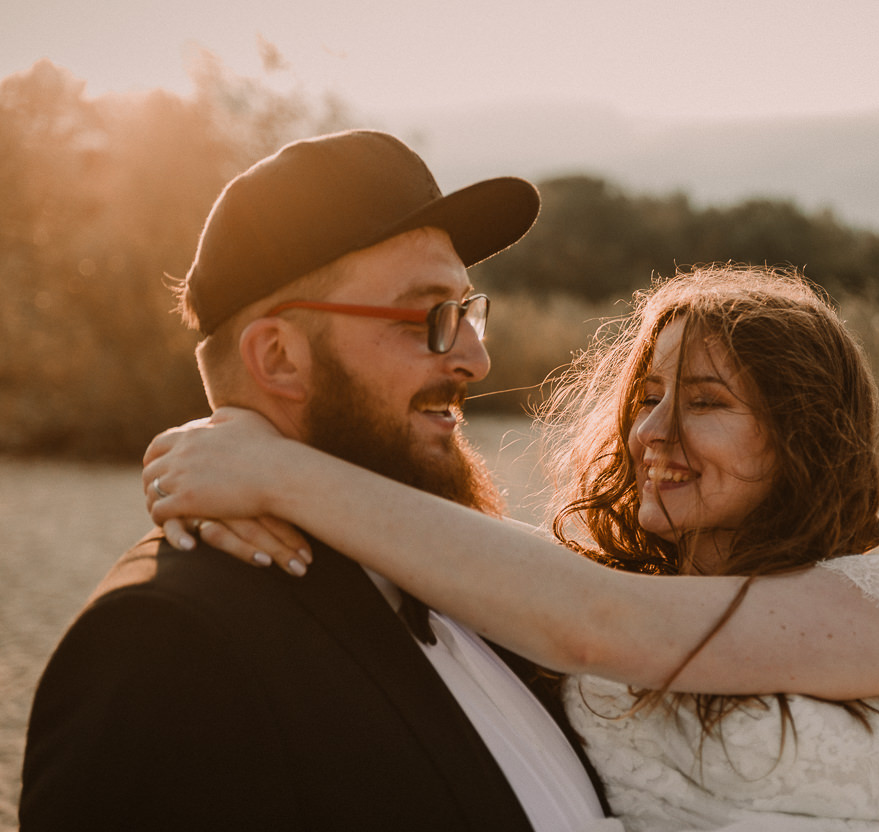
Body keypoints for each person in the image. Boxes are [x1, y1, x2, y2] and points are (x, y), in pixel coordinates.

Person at [142, 263, 879, 831]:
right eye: (648, 395)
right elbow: (418, 536)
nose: (652, 431)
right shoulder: (553, 594)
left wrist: (269, 469)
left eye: (704, 400)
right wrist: (225, 441)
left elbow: (599, 624)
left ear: (803, 436)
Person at [20, 129, 606, 831]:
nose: (476, 359)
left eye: (467, 310)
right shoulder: (164, 646)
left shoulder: (476, 578)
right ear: (279, 357)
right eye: (428, 316)